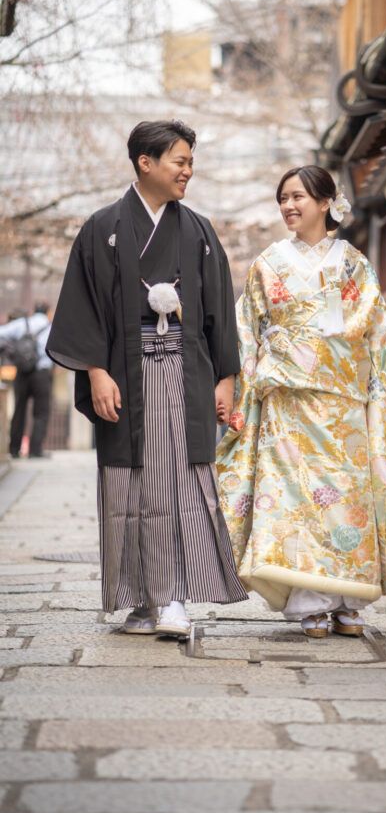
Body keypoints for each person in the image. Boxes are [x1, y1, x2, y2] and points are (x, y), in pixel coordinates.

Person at [47, 120, 248, 637]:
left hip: (185, 374)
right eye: (180, 161)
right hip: (125, 376)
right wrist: (95, 372)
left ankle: (171, 597)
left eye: (190, 161)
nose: (188, 170)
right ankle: (144, 600)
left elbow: (219, 309)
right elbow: (83, 306)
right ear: (146, 162)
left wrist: (225, 377)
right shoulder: (103, 227)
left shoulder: (199, 230)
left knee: (177, 482)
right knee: (130, 487)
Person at [216, 165, 386, 638]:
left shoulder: (352, 262)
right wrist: (239, 394)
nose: (289, 206)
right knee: (295, 500)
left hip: (341, 399)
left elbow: (379, 327)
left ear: (326, 202)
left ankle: (349, 598)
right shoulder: (268, 263)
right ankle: (309, 600)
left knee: (346, 498)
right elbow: (246, 331)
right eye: (283, 198)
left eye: (298, 197)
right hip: (287, 401)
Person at [0, 302, 53, 458]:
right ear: (47, 312)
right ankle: (35, 451)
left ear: (34, 311)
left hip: (22, 372)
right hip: (42, 373)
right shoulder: (51, 327)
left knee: (19, 410)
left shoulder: (23, 323)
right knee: (41, 412)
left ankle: (14, 449)